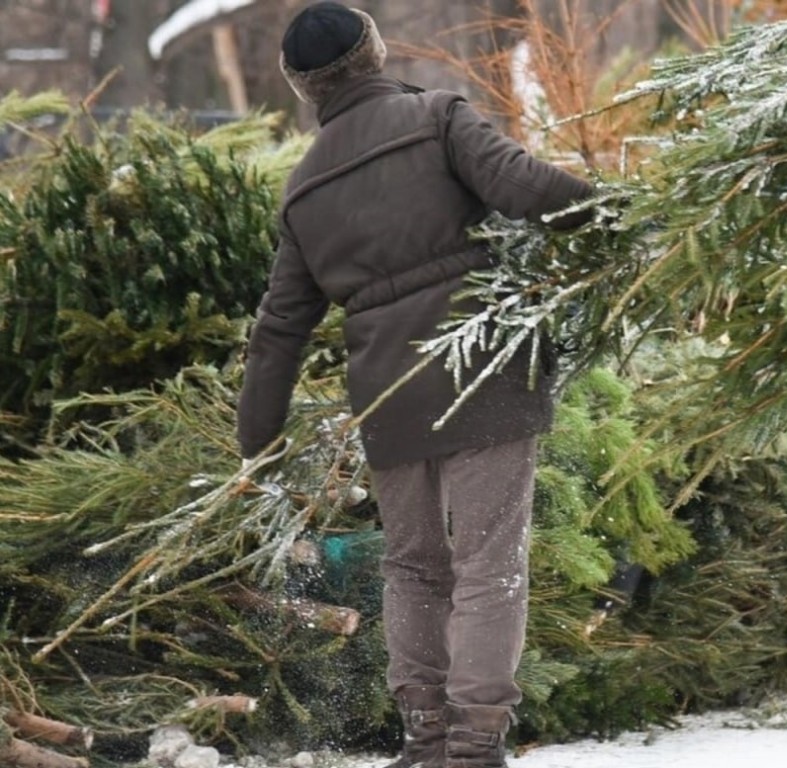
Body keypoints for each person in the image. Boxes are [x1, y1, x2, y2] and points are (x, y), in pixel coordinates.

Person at [236, 3, 593, 767]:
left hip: (388, 397)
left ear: (302, 87)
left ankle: (424, 737)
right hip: (482, 370)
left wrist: (256, 446)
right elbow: (525, 186)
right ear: (376, 51)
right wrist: (619, 217)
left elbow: (279, 331)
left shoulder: (303, 189)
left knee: (414, 566)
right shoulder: (436, 118)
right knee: (489, 560)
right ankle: (473, 743)